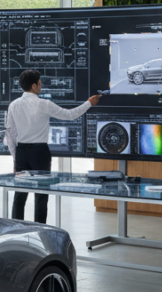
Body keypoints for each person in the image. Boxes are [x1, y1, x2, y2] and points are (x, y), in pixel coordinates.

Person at [7, 69, 102, 223]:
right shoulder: (44, 104)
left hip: (21, 151)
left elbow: (10, 133)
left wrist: (15, 158)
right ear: (33, 85)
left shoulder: (13, 105)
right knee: (42, 195)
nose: (41, 85)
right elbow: (70, 115)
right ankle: (40, 228)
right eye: (39, 83)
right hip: (40, 152)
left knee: (20, 194)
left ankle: (16, 227)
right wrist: (88, 103)